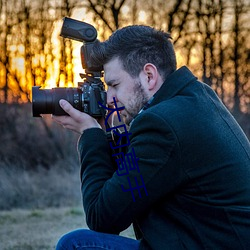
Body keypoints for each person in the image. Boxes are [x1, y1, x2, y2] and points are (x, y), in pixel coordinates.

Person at [53, 25, 250, 250]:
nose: (109, 99)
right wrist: (103, 132)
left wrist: (90, 135)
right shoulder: (195, 97)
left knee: (76, 244)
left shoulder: (162, 125)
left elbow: (103, 219)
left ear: (149, 75)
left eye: (114, 85)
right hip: (213, 240)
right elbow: (135, 176)